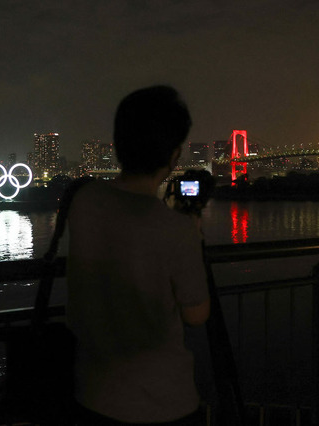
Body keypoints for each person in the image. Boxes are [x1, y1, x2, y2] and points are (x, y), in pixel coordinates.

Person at [66, 86, 210, 425]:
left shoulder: (83, 202)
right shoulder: (175, 228)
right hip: (162, 403)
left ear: (117, 145)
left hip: (92, 395)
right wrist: (190, 231)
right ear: (174, 156)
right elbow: (197, 314)